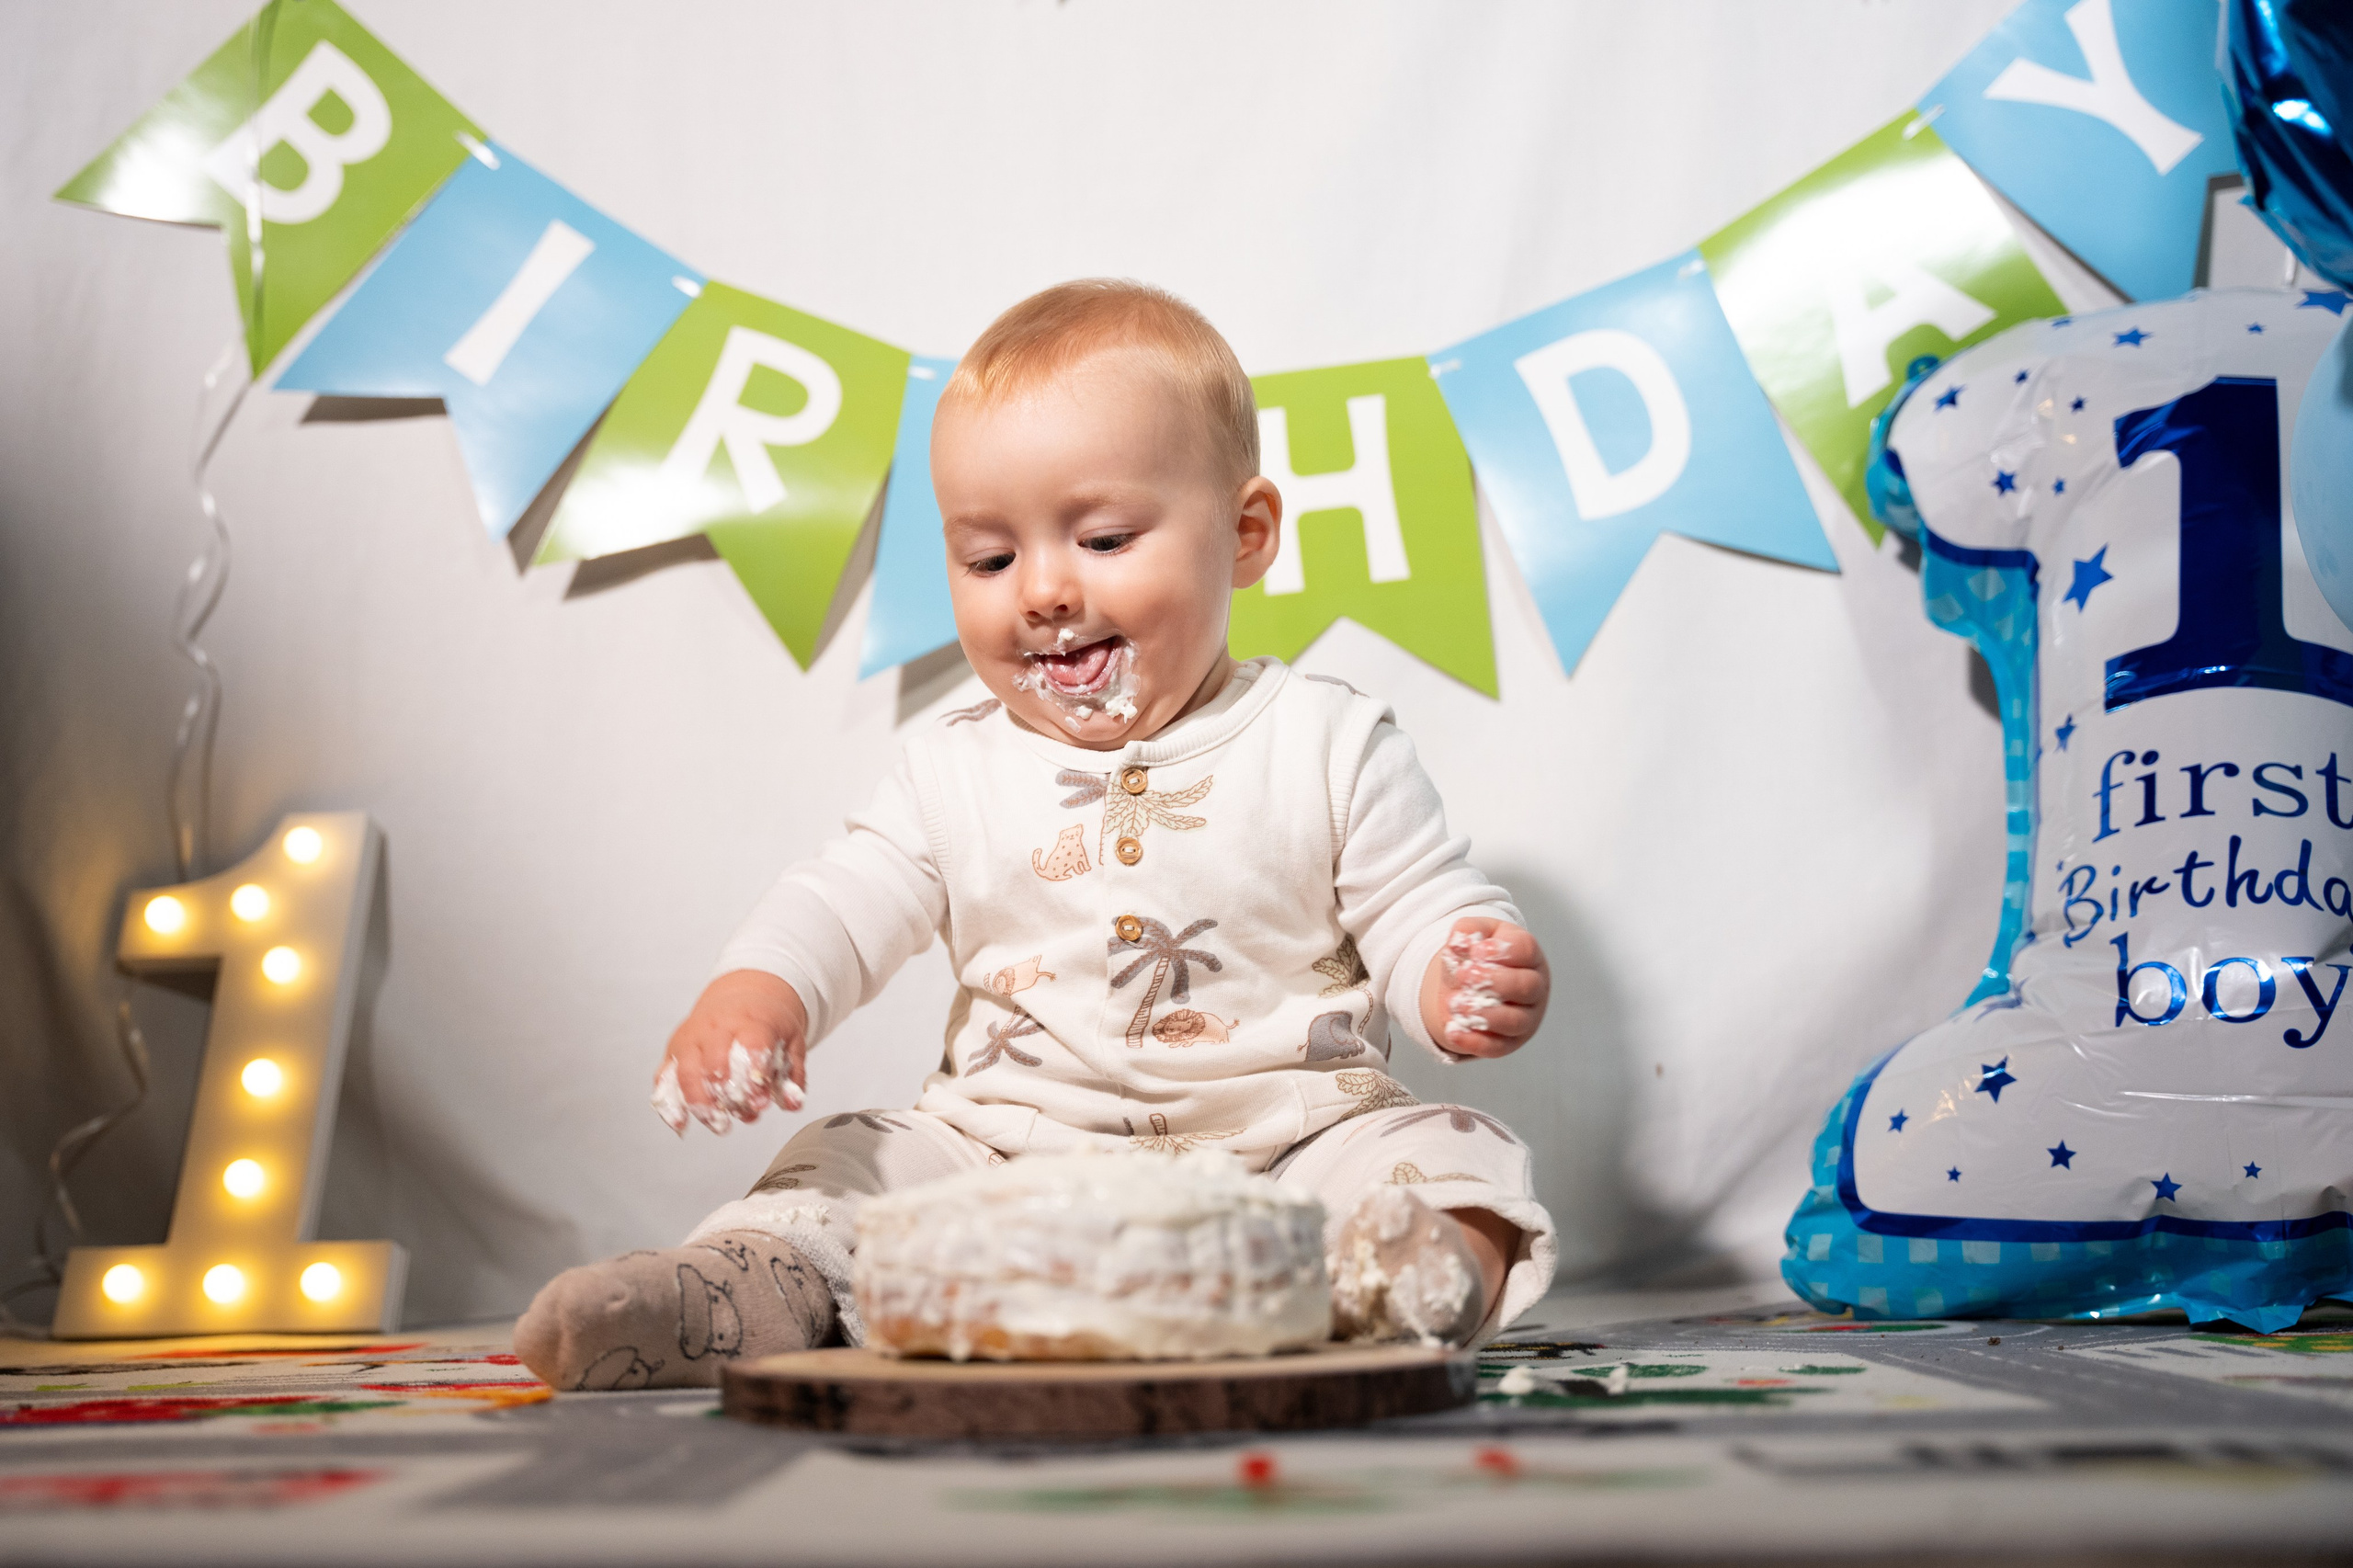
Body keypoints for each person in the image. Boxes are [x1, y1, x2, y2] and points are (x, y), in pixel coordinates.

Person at [515, 279, 1556, 1392]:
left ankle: (1387, 1285)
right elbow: (845, 896)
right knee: (848, 1155)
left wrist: (1459, 967)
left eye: (1104, 537)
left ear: (1245, 535)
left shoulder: (1326, 740)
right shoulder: (954, 769)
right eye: (989, 559)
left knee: (1458, 1155)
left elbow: (1418, 900)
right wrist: (758, 989)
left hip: (1285, 1159)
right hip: (1002, 1160)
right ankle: (741, 1286)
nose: (1045, 590)